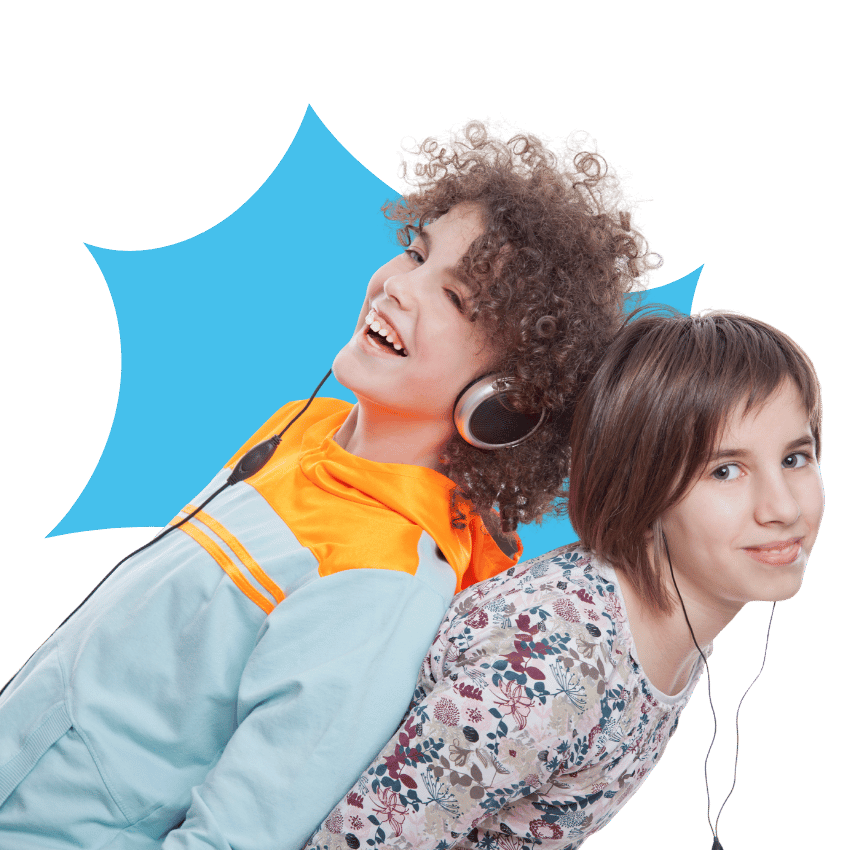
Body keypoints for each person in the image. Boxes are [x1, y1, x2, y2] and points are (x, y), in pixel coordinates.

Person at [0, 116, 658, 849]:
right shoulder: (303, 427)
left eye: (456, 300)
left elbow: (236, 840)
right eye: (416, 254)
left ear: (506, 398)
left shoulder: (381, 586)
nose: (398, 288)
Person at [304, 309, 824, 850]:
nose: (782, 509)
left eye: (795, 458)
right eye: (725, 471)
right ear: (641, 490)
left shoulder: (671, 622)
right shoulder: (551, 668)